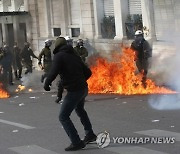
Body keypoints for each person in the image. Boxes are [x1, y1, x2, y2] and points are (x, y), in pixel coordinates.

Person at [44, 37, 96, 151]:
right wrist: (80, 80)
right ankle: (90, 134)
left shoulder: (59, 56)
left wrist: (46, 84)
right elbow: (88, 72)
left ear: (56, 46)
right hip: (83, 89)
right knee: (80, 110)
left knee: (63, 116)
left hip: (74, 91)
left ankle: (76, 142)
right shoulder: (74, 55)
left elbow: (53, 71)